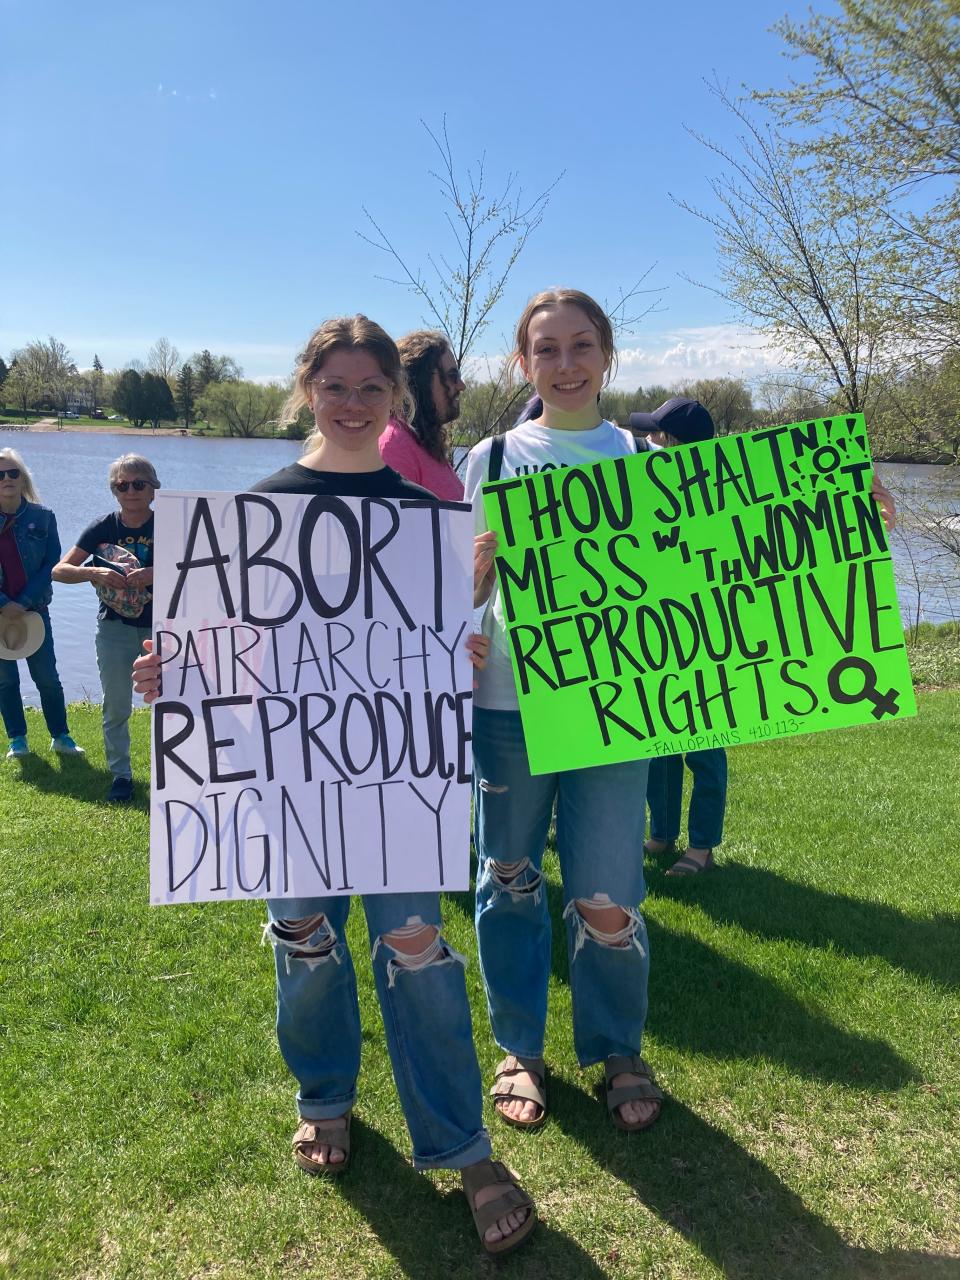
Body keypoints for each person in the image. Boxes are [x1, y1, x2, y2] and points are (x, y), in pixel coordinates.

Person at [131, 315, 536, 1258]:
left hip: (396, 776)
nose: (353, 405)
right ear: (307, 388)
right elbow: (225, 659)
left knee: (418, 946)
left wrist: (456, 658)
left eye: (371, 389)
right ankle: (324, 1099)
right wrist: (169, 676)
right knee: (304, 939)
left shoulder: (429, 519)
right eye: (335, 386)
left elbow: (428, 653)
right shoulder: (250, 514)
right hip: (289, 778)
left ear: (396, 399)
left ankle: (465, 1146)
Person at [465, 288, 664, 1134]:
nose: (566, 363)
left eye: (581, 345)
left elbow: (703, 578)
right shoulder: (495, 458)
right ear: (524, 364)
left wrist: (839, 522)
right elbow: (459, 593)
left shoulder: (649, 460)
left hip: (618, 710)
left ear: (607, 355)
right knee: (509, 879)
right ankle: (520, 1047)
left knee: (610, 890)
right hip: (510, 705)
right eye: (547, 349)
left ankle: (618, 1045)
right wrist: (465, 610)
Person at [628, 398, 727, 875]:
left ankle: (702, 846)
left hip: (707, 638)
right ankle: (661, 833)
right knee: (658, 748)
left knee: (705, 749)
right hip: (658, 634)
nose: (647, 442)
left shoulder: (725, 494)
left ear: (674, 445)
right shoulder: (648, 490)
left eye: (655, 436)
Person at [54, 455, 160, 803]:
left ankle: (176, 772)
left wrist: (157, 574)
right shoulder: (102, 527)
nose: (130, 491)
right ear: (114, 490)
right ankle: (121, 776)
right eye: (122, 484)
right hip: (113, 630)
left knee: (174, 704)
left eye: (138, 484)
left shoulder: (171, 525)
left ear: (153, 488)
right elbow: (59, 570)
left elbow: (200, 571)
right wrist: (93, 572)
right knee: (116, 706)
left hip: (162, 629)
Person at [0, 447, 83, 761]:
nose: (7, 479)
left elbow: (51, 563)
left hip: (34, 611)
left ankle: (61, 736)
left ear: (22, 477)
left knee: (47, 677)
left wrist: (21, 601)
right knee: (5, 680)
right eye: (0, 475)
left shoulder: (43, 517)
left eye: (12, 473)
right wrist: (4, 602)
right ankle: (17, 741)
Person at [378, 330, 466, 499]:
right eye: (452, 376)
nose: (461, 386)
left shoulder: (424, 442)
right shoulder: (394, 444)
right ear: (419, 379)